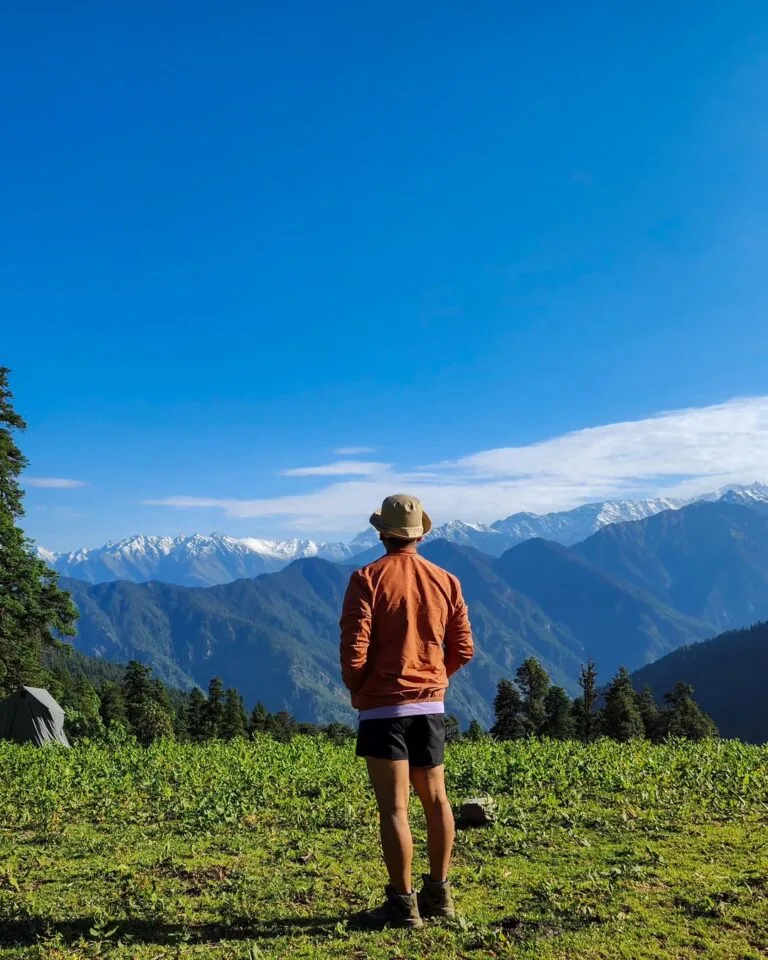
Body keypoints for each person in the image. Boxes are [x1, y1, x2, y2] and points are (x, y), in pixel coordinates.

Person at [339, 494, 474, 929]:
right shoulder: (446, 580)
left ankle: (403, 904)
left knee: (395, 810)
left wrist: (361, 689)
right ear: (420, 535)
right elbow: (463, 648)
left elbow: (354, 649)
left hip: (384, 710)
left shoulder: (366, 579)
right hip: (430, 707)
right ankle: (440, 894)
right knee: (437, 800)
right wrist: (435, 679)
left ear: (382, 533)